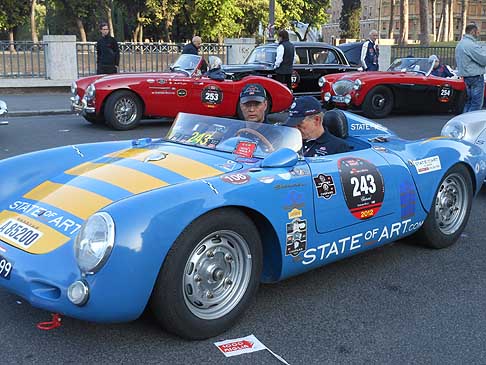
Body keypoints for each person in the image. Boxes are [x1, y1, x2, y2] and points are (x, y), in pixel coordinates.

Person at [284, 96, 351, 157]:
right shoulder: (289, 142)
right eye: (292, 124)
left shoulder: (338, 147)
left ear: (316, 120)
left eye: (299, 124)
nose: (295, 128)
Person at [455, 23, 486, 112]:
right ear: (473, 32)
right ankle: (471, 123)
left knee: (469, 102)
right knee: (476, 103)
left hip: (467, 76)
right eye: (478, 32)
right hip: (475, 77)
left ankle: (464, 120)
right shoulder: (470, 45)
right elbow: (483, 60)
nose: (479, 34)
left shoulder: (461, 43)